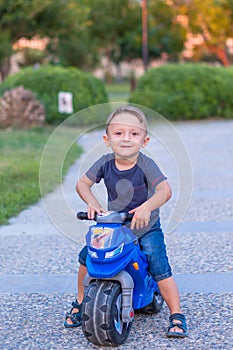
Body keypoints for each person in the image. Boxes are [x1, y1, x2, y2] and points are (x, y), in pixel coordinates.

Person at [64, 105, 188, 338]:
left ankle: (176, 314)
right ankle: (81, 302)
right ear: (107, 139)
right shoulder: (104, 162)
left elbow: (165, 190)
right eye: (119, 133)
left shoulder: (146, 164)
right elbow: (82, 184)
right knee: (86, 257)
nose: (126, 139)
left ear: (145, 140)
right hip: (115, 226)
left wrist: (147, 207)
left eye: (134, 134)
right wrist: (92, 203)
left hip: (146, 227)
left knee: (157, 262)